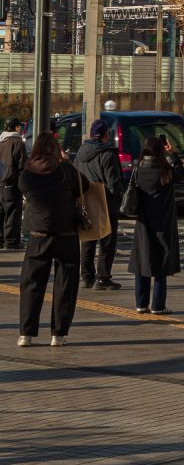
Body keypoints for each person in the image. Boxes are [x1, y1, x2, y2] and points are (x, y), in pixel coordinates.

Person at [17, 131, 82, 347]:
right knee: (65, 284)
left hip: (38, 234)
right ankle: (58, 334)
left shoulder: (27, 172)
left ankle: (26, 334)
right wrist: (66, 161)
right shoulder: (65, 169)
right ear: (56, 148)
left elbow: (23, 190)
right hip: (66, 233)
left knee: (31, 284)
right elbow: (84, 186)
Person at [129, 135, 183, 315]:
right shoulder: (165, 170)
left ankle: (141, 303)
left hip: (143, 222)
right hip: (163, 221)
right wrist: (173, 154)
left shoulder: (138, 168)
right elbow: (181, 174)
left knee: (143, 261)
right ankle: (158, 305)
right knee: (161, 264)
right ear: (161, 150)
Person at [75, 119, 123, 290]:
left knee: (88, 239)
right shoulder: (107, 154)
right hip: (106, 202)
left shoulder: (80, 153)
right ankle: (103, 277)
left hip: (86, 200)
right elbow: (113, 183)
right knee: (107, 242)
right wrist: (121, 192)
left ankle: (87, 276)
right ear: (105, 135)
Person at [0, 117, 27, 250]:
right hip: (11, 183)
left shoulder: (1, 141)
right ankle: (11, 241)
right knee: (13, 213)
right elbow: (22, 165)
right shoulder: (18, 142)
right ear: (16, 127)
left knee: (1, 212)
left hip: (0, 183)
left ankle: (1, 239)